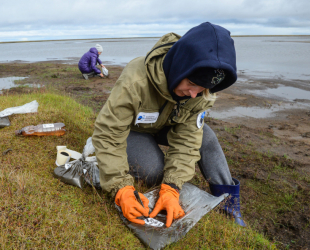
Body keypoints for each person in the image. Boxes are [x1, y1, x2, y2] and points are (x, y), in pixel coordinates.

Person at [92, 22, 246, 228]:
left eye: (202, 88)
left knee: (206, 136)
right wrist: (121, 188)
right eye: (191, 83)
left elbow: (188, 138)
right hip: (134, 130)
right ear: (179, 65)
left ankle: (229, 204)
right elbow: (109, 132)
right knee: (154, 171)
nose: (194, 93)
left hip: (168, 126)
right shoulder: (136, 80)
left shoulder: (200, 92)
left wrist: (172, 186)